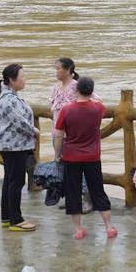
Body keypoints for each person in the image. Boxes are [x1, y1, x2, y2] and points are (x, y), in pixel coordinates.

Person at [53, 76, 117, 240]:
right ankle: (109, 226)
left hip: (71, 156)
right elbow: (102, 108)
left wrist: (57, 154)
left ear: (76, 90)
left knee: (73, 192)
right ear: (92, 91)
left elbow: (59, 135)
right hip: (92, 157)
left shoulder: (66, 110)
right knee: (98, 191)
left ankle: (78, 229)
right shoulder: (98, 109)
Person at [50, 58, 101, 213]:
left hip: (73, 136)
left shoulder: (76, 87)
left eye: (59, 68)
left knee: (80, 170)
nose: (56, 71)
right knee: (64, 168)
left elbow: (97, 101)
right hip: (57, 132)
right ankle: (71, 198)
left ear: (68, 69)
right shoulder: (56, 88)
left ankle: (87, 200)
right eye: (56, 68)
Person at [0, 63, 39, 232]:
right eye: (22, 77)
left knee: (10, 181)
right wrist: (34, 130)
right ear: (12, 80)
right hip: (14, 147)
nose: (25, 80)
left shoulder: (11, 96)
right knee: (16, 181)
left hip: (12, 145)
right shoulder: (8, 100)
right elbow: (19, 121)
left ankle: (6, 217)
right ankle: (16, 220)